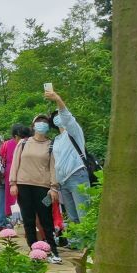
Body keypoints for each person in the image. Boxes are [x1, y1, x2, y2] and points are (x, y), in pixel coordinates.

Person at [9, 114, 61, 263]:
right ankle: (33, 249)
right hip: (23, 185)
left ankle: (53, 250)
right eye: (39, 121)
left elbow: (53, 168)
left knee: (46, 219)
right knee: (28, 219)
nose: (42, 124)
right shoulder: (24, 143)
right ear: (33, 125)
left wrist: (54, 187)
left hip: (43, 187)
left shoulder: (51, 145)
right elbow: (15, 163)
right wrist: (13, 183)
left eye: (44, 122)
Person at [45, 89, 91, 225]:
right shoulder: (56, 140)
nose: (57, 117)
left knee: (84, 215)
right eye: (55, 116)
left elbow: (67, 117)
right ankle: (78, 245)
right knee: (72, 218)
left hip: (77, 175)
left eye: (58, 114)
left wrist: (57, 99)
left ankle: (88, 246)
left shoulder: (73, 131)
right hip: (63, 182)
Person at [1, 124, 30, 225]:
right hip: (25, 172)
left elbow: (1, 157)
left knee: (13, 198)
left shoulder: (6, 144)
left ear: (15, 136)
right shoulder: (30, 142)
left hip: (10, 172)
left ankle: (17, 222)